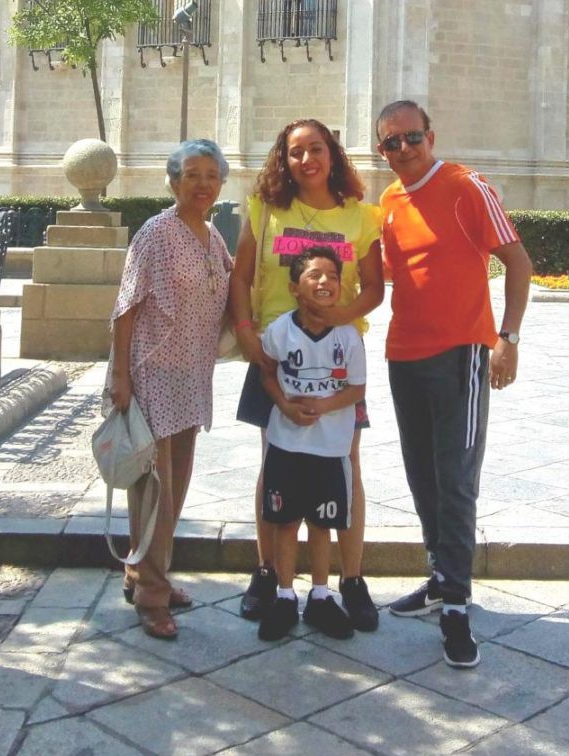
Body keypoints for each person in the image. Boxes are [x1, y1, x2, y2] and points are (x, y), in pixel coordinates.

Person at [376, 100, 532, 669]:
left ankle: (458, 607)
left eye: (411, 138)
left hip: (461, 353)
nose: (403, 150)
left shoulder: (467, 186)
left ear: (430, 136)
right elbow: (387, 276)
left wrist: (507, 337)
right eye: (391, 143)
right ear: (381, 151)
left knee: (456, 476)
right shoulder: (389, 203)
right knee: (422, 476)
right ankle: (440, 578)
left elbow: (518, 263)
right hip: (403, 356)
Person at [229, 118, 383, 631]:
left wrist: (339, 317)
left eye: (315, 149)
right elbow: (241, 275)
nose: (306, 160)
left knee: (344, 465)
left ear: (332, 154)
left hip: (335, 361)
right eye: (295, 153)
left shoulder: (361, 217)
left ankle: (351, 579)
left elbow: (374, 290)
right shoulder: (265, 210)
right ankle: (269, 572)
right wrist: (248, 333)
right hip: (277, 356)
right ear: (284, 160)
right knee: (275, 463)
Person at [109, 139, 232, 640]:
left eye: (211, 175)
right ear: (174, 181)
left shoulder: (211, 235)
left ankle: (143, 572)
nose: (202, 184)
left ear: (221, 183)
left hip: (192, 377)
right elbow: (126, 305)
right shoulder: (156, 232)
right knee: (154, 489)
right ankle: (152, 597)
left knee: (174, 485)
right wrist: (120, 374)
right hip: (152, 375)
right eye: (192, 174)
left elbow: (231, 286)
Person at [256, 246, 367, 642]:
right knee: (285, 522)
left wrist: (324, 404)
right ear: (294, 288)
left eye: (333, 276)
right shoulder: (279, 331)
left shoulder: (349, 335)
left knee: (322, 524)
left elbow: (357, 388)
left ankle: (321, 595)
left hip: (330, 448)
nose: (325, 282)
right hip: (287, 443)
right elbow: (267, 372)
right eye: (315, 276)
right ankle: (285, 595)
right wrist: (285, 405)